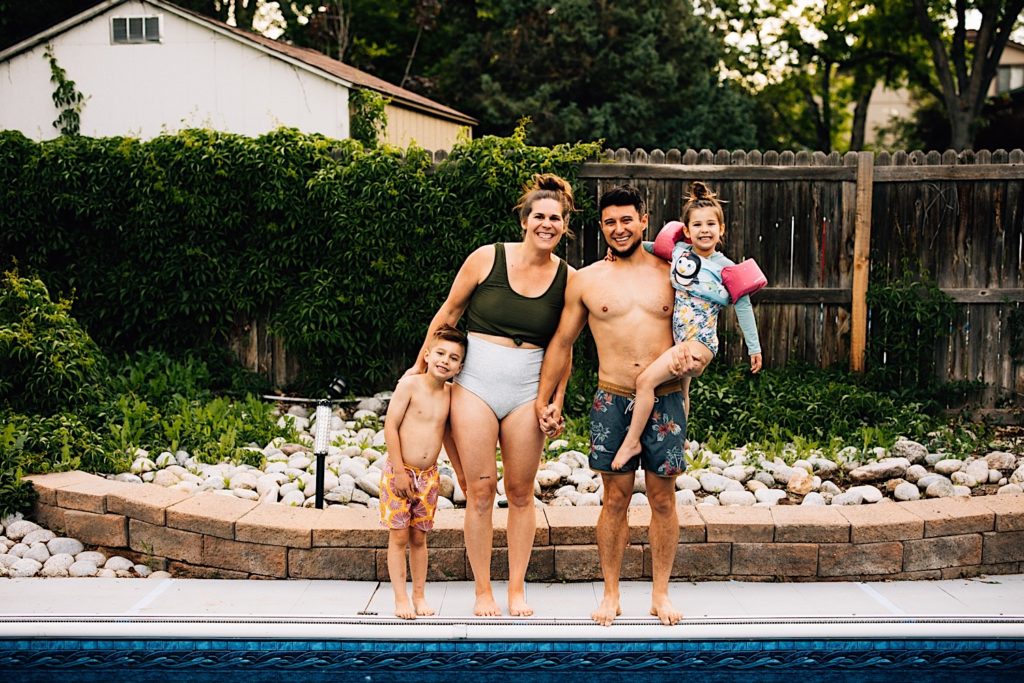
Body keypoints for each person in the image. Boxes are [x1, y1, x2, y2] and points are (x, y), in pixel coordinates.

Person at [408, 174, 576, 617]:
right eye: (538, 216)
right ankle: (483, 590)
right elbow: (449, 312)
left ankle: (516, 588)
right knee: (480, 491)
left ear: (564, 225)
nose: (546, 223)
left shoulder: (569, 278)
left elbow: (565, 346)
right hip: (476, 386)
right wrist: (421, 367)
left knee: (522, 493)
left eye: (555, 218)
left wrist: (555, 399)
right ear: (524, 220)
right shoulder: (487, 258)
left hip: (527, 391)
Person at [535, 184, 699, 627]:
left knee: (664, 500)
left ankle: (660, 594)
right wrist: (546, 398)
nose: (619, 228)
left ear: (644, 221)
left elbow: (709, 307)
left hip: (665, 400)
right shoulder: (586, 280)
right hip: (612, 399)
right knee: (614, 499)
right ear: (601, 227)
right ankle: (610, 593)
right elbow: (562, 343)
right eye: (610, 222)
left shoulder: (674, 271)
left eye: (627, 220)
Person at [609, 181, 762, 470]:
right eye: (698, 225)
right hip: (678, 341)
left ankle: (632, 442)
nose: (705, 230)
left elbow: (743, 306)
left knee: (645, 381)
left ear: (722, 229)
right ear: (687, 231)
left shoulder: (727, 268)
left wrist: (754, 349)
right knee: (681, 393)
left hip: (700, 344)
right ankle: (680, 441)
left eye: (711, 224)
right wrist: (618, 252)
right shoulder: (679, 252)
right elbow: (648, 248)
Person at [381, 324, 466, 619]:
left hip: (429, 477)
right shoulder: (409, 385)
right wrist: (400, 473)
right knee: (399, 537)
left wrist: (460, 473)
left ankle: (419, 595)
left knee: (420, 538)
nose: (445, 361)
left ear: (460, 366)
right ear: (427, 355)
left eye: (454, 358)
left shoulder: (451, 394)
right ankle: (400, 598)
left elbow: (448, 436)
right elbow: (390, 426)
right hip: (400, 473)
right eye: (440, 353)